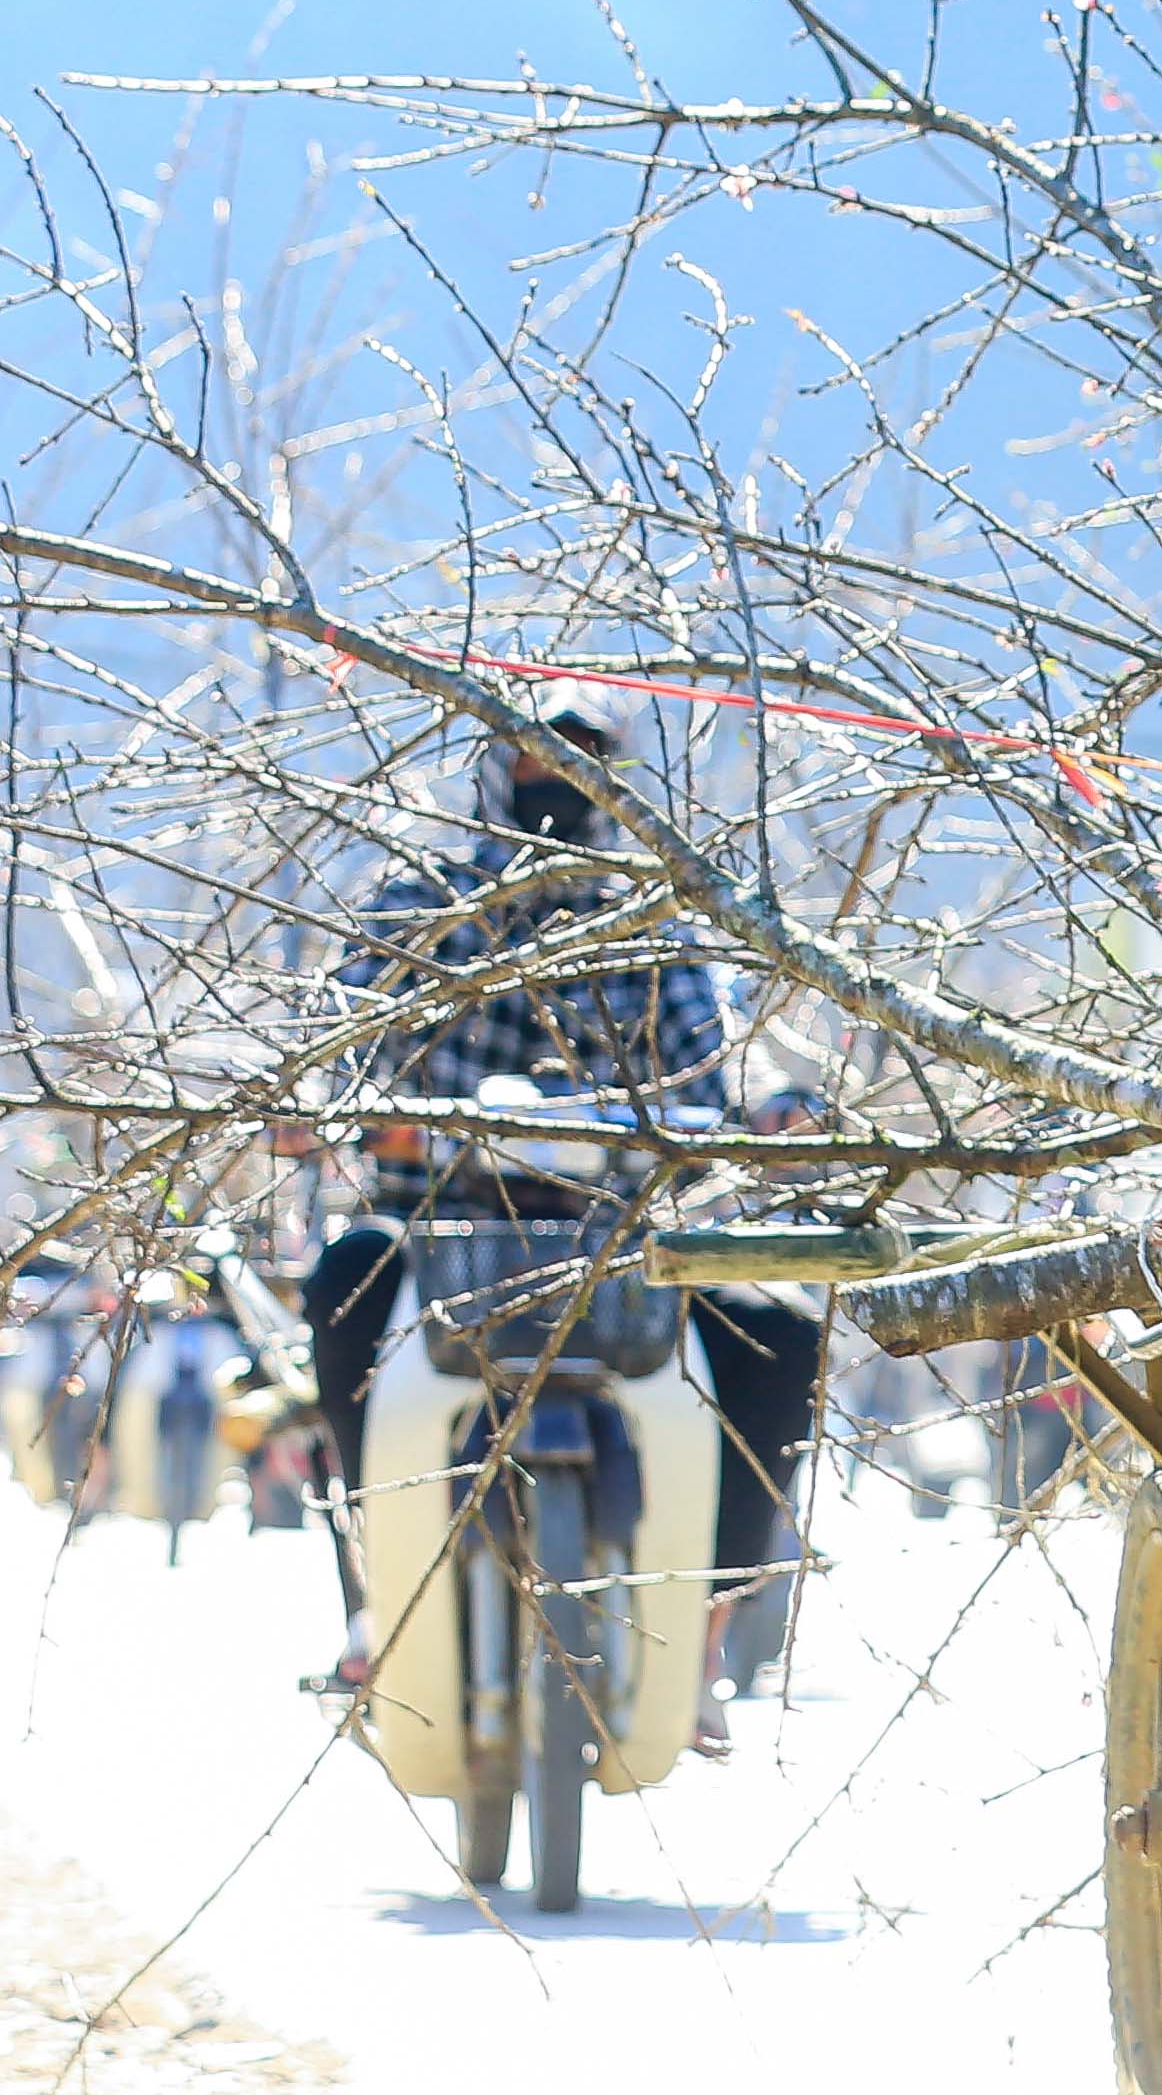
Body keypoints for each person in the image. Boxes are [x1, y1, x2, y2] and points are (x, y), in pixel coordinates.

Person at [307, 690, 825, 1750]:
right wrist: (338, 1104)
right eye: (534, 758)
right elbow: (348, 1030)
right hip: (444, 1235)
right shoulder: (423, 909)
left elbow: (712, 1049)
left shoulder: (647, 922)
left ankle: (706, 1628)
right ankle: (375, 1587)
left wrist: (768, 1109)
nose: (553, 779)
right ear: (495, 770)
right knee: (342, 1284)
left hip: (618, 1242)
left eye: (578, 759)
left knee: (777, 1337)